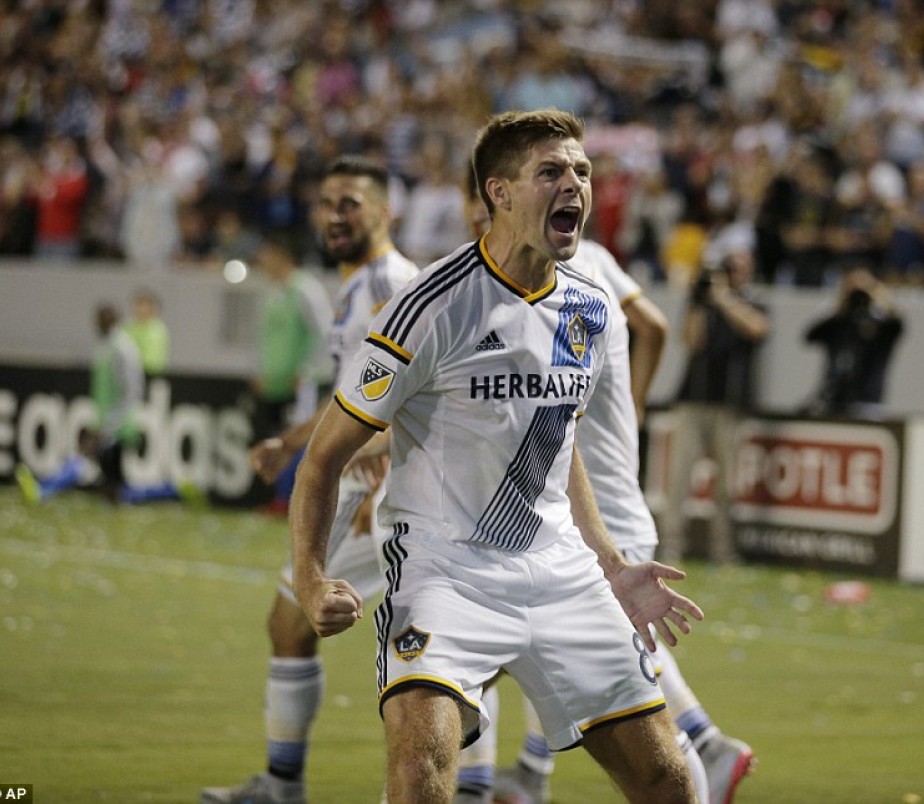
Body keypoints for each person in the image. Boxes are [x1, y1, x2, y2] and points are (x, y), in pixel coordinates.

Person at [289, 109, 703, 803]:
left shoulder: (590, 309)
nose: (575, 184)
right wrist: (309, 579)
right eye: (552, 171)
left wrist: (610, 563)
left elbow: (558, 442)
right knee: (421, 773)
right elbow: (322, 458)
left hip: (563, 573)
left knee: (668, 779)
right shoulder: (428, 306)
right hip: (445, 573)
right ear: (499, 193)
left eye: (582, 171)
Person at [451, 174, 753, 804]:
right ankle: (530, 774)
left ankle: (702, 748)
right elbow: (654, 325)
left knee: (502, 665)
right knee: (564, 668)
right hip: (595, 510)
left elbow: (536, 414)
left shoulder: (545, 283)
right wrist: (629, 409)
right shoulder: (596, 263)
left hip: (586, 522)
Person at [201, 156, 419, 804]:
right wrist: (292, 442)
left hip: (378, 488)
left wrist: (382, 482)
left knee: (299, 621)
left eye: (350, 202)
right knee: (301, 625)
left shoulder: (393, 282)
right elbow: (353, 394)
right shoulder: (354, 286)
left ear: (384, 211)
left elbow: (416, 387)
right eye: (327, 203)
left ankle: (286, 785)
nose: (334, 215)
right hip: (364, 481)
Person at [659, 248, 770, 565]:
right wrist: (699, 302)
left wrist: (723, 299)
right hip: (694, 400)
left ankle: (722, 549)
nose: (734, 272)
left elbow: (757, 328)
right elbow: (691, 341)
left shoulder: (753, 301)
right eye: (729, 267)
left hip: (729, 405)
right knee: (679, 478)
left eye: (739, 267)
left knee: (727, 484)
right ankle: (671, 544)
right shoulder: (702, 303)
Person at [16, 303, 144, 503]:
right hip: (107, 421)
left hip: (118, 424)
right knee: (114, 482)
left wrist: (109, 424)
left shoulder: (122, 349)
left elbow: (131, 392)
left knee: (86, 458)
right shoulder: (106, 346)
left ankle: (43, 491)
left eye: (100, 320)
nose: (96, 325)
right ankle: (167, 493)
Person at [249, 234, 334, 514]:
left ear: (281, 255)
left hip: (301, 383)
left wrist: (307, 370)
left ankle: (295, 499)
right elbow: (266, 339)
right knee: (276, 438)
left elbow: (324, 333)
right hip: (274, 382)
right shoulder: (273, 291)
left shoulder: (306, 289)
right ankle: (279, 498)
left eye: (266, 254)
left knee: (298, 436)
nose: (262, 261)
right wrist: (261, 370)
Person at [801, 268, 905, 420]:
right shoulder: (838, 322)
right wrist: (839, 309)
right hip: (834, 399)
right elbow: (810, 336)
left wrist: (879, 304)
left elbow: (896, 326)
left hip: (868, 400)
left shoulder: (882, 324)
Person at [125, 288, 171, 379]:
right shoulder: (127, 328)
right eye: (138, 305)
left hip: (152, 376)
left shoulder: (159, 330)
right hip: (128, 375)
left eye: (144, 306)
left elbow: (155, 361)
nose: (141, 310)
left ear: (152, 308)